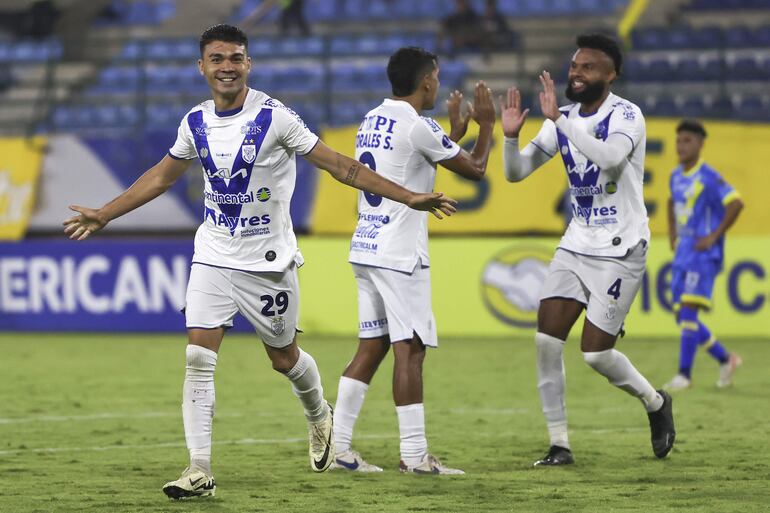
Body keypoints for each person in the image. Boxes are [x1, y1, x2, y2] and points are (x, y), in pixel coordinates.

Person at [62, 25, 457, 498]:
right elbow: (162, 177)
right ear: (202, 66)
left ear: (248, 64)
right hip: (212, 254)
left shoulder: (276, 118)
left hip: (268, 262)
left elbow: (341, 166)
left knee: (284, 357)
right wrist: (106, 213)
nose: (226, 67)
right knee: (197, 357)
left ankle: (319, 414)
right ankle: (198, 469)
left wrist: (408, 195)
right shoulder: (195, 122)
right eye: (217, 58)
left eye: (235, 58)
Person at [500, 33, 676, 466]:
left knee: (596, 353)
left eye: (588, 67)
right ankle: (560, 444)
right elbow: (516, 172)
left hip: (621, 248)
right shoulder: (561, 116)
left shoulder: (626, 115)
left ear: (611, 75)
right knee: (545, 341)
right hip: (577, 243)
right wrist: (509, 137)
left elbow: (611, 159)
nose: (576, 74)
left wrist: (560, 124)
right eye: (575, 66)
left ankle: (655, 402)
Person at [329, 46, 495, 474]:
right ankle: (416, 455)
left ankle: (339, 449)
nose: (438, 84)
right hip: (400, 253)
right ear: (426, 81)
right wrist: (489, 125)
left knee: (373, 346)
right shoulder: (416, 124)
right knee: (412, 348)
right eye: (436, 77)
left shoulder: (372, 119)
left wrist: (454, 132)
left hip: (366, 246)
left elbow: (407, 161)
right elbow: (475, 168)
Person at [663, 119, 743, 391]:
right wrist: (672, 232)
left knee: (687, 311)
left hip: (703, 252)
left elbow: (736, 202)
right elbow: (671, 201)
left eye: (687, 140)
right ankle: (726, 359)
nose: (681, 145)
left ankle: (684, 374)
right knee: (683, 316)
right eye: (678, 140)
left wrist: (714, 235)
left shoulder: (709, 176)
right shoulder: (675, 175)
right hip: (684, 250)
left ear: (700, 144)